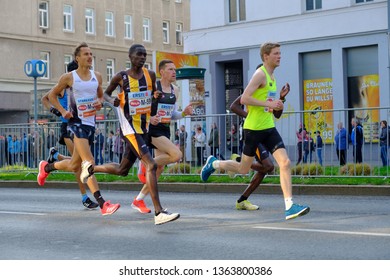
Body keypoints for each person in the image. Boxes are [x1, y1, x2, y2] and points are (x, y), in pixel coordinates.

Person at [200, 42, 310, 220]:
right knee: (243, 169)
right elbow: (244, 98)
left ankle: (289, 205)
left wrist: (279, 101)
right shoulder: (260, 74)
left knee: (285, 162)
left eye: (280, 53)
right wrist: (269, 103)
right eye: (276, 53)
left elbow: (273, 109)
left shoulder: (273, 78)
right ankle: (214, 164)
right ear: (266, 56)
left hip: (268, 127)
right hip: (253, 129)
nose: (279, 56)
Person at [90, 44, 180, 225]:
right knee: (152, 165)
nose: (142, 57)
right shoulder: (121, 76)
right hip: (129, 128)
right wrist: (112, 100)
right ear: (130, 56)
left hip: (144, 127)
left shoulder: (150, 75)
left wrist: (154, 98)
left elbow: (151, 101)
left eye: (145, 55)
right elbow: (105, 94)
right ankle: (158, 212)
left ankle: (90, 169)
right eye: (139, 55)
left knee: (122, 170)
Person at [37, 42, 120, 215]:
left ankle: (47, 167)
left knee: (75, 164)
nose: (90, 57)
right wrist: (61, 112)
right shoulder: (69, 77)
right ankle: (103, 203)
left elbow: (100, 95)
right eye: (86, 54)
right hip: (75, 123)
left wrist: (99, 103)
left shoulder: (96, 76)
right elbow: (50, 96)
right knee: (87, 162)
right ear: (77, 58)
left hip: (90, 124)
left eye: (91, 54)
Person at [133, 59, 193, 213]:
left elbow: (172, 114)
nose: (174, 72)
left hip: (165, 130)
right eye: (171, 69)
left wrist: (184, 113)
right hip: (151, 129)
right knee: (176, 155)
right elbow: (139, 108)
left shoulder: (175, 90)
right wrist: (149, 117)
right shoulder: (153, 87)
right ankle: (146, 163)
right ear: (162, 72)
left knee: (158, 170)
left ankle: (138, 200)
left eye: (175, 69)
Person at [41, 59, 99, 210]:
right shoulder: (64, 86)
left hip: (82, 126)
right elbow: (45, 98)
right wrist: (56, 111)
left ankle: (56, 159)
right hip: (68, 127)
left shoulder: (84, 86)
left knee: (79, 162)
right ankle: (85, 197)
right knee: (79, 165)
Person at [229, 82, 289, 210]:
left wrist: (281, 98)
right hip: (254, 133)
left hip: (267, 133)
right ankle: (238, 162)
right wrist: (250, 116)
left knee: (264, 170)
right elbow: (233, 106)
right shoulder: (251, 92)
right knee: (268, 166)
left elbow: (276, 115)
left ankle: (242, 200)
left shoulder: (269, 93)